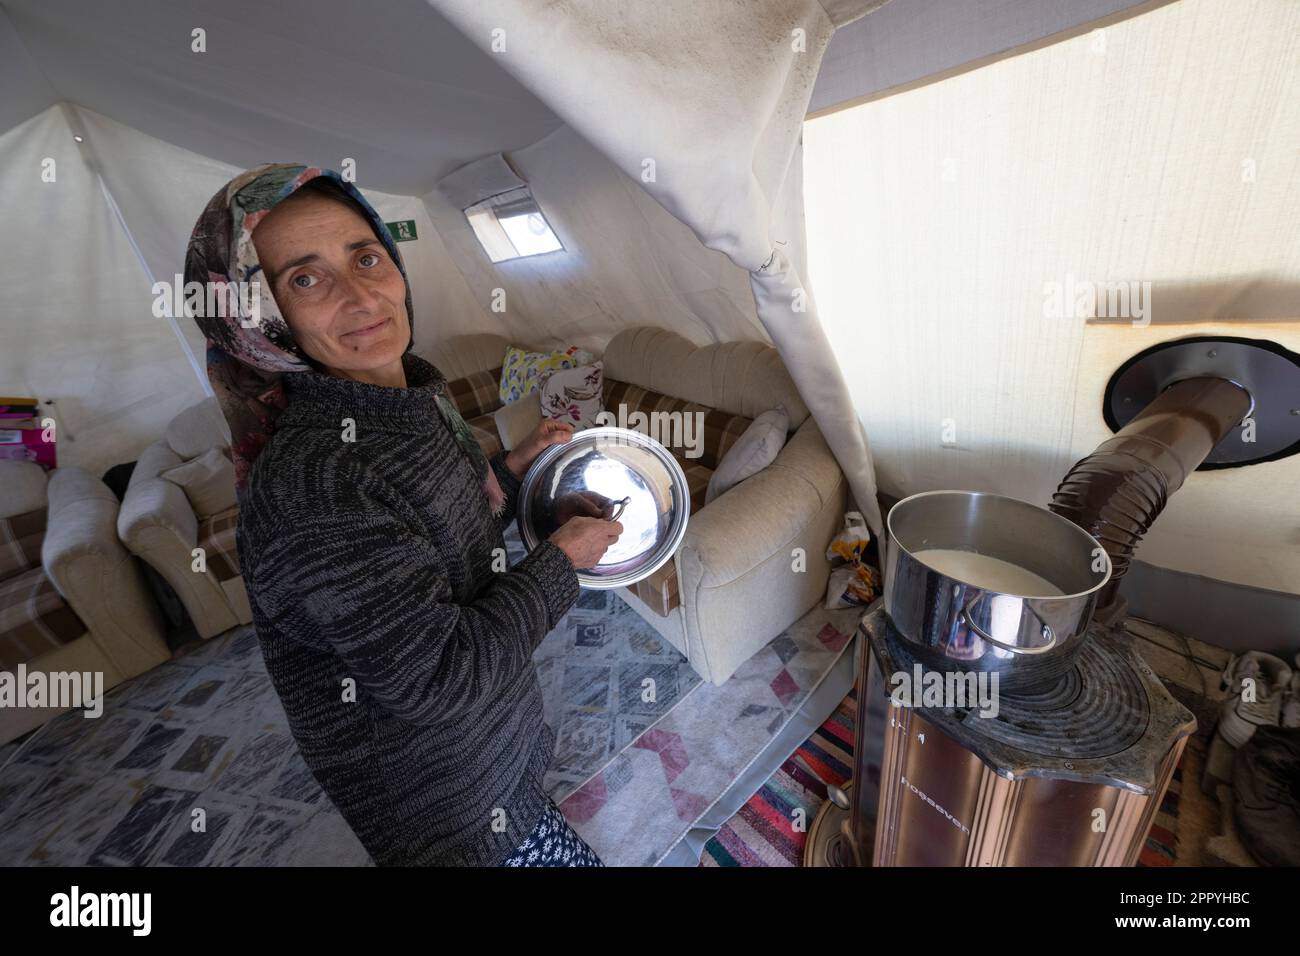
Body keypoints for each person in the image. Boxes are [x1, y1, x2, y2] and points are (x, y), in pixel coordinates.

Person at [185, 163, 622, 866]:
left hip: (496, 756)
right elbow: (437, 679)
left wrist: (527, 493)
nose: (361, 295)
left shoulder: (407, 396)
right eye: (305, 278)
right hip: (452, 803)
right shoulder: (317, 486)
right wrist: (562, 561)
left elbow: (440, 533)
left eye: (365, 257)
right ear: (256, 314)